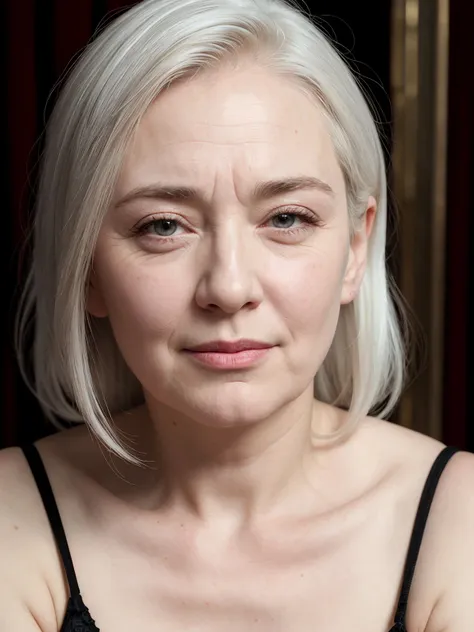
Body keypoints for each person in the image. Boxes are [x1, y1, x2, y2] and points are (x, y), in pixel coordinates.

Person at [1, 0, 472, 630]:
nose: (228, 287)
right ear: (87, 266)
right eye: (164, 226)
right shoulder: (12, 516)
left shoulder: (457, 518)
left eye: (286, 219)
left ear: (357, 248)